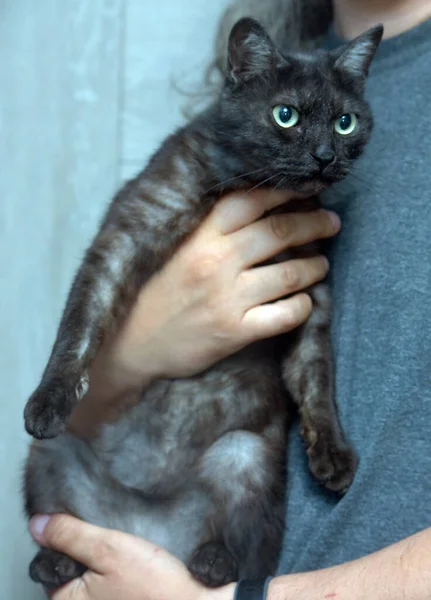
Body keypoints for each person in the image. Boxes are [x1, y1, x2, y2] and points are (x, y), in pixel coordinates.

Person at [28, 0, 431, 598]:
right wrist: (137, 353)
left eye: (344, 125)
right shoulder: (234, 130)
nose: (324, 151)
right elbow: (72, 416)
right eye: (292, 118)